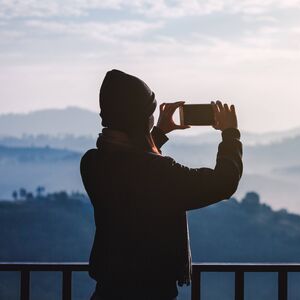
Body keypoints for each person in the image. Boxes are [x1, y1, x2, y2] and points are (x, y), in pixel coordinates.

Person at [80, 69, 243, 300]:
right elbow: (223, 182)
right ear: (140, 118)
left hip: (107, 291)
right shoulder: (160, 173)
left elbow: (132, 169)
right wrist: (230, 134)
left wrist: (157, 133)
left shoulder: (93, 163)